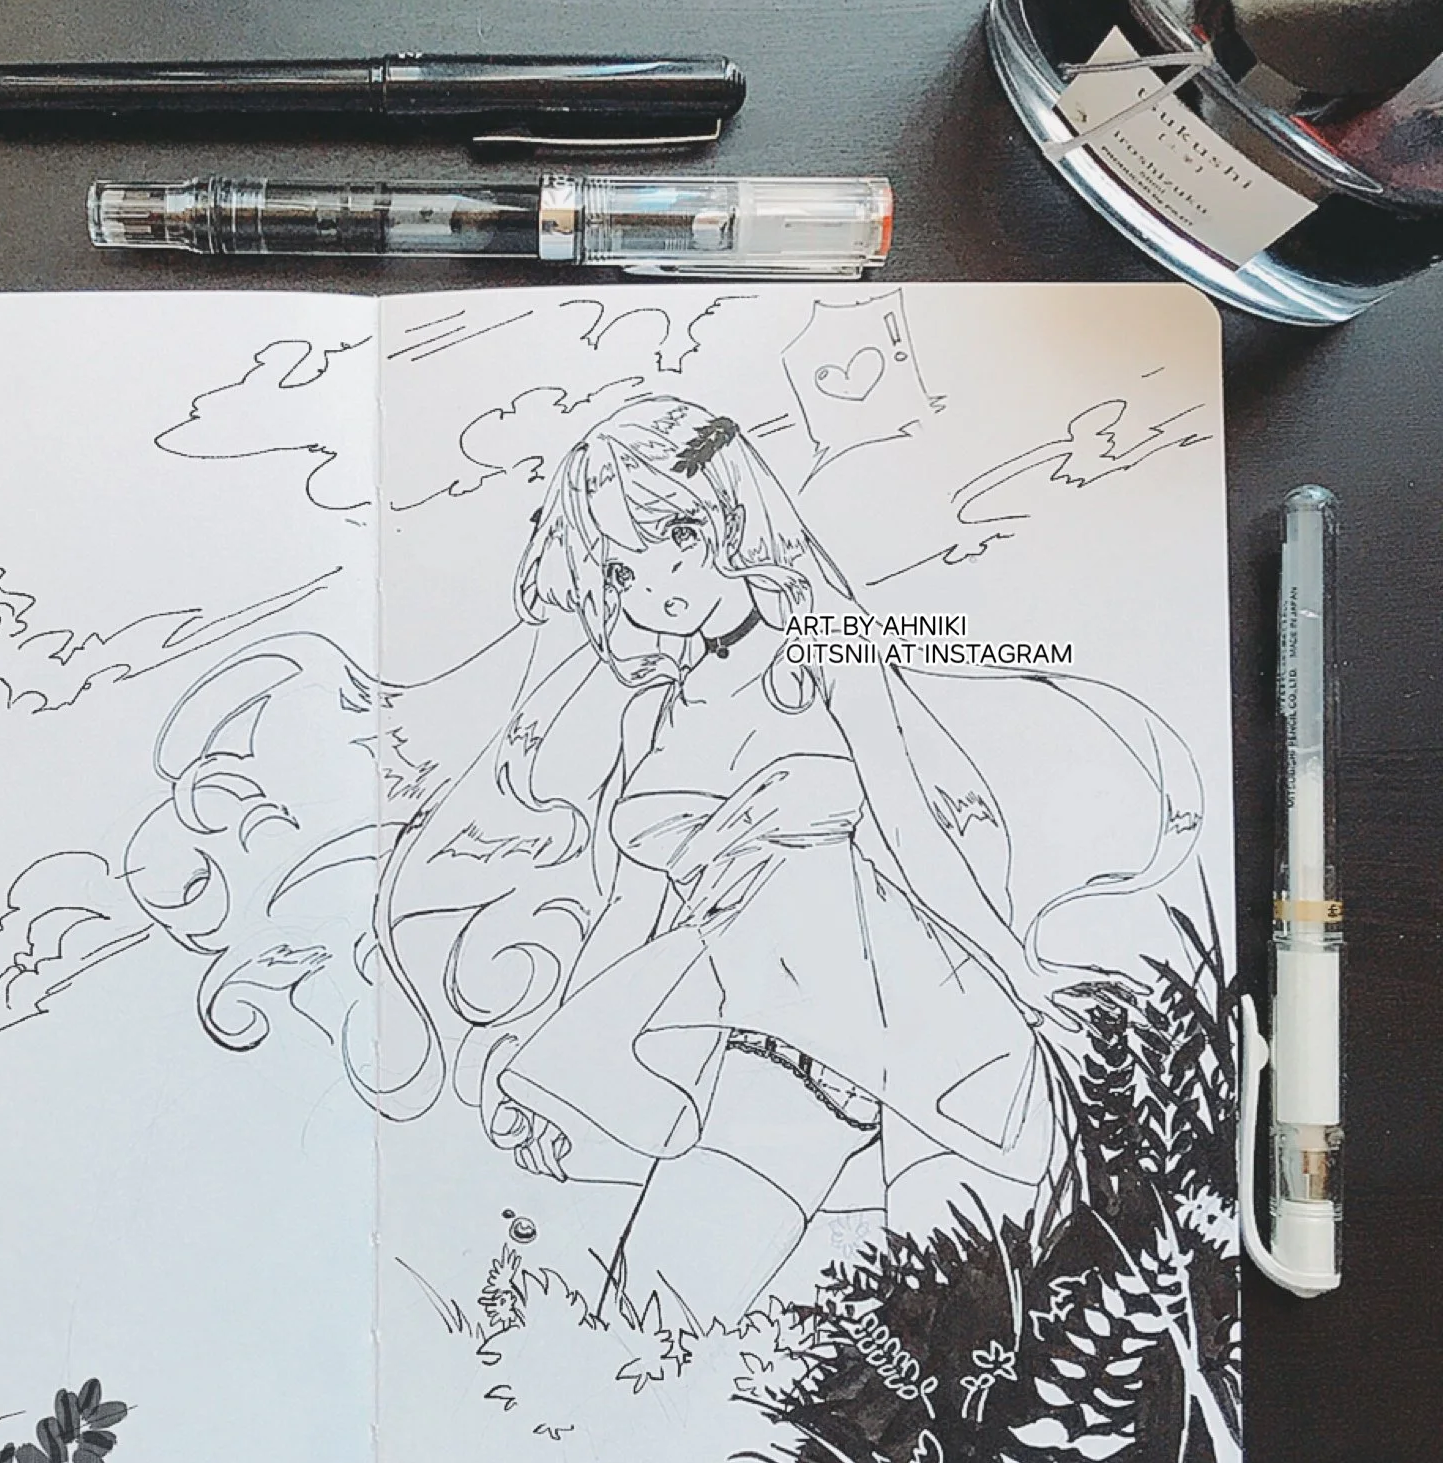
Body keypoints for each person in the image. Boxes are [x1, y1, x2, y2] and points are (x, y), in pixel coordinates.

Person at [387, 392, 1187, 1325]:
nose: (651, 585)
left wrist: (1021, 974)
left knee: (700, 1320)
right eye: (619, 567)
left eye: (675, 536)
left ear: (728, 514)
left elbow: (911, 827)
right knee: (660, 1324)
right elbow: (634, 917)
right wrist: (557, 1072)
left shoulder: (825, 646)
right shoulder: (650, 715)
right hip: (741, 1036)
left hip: (863, 1027)